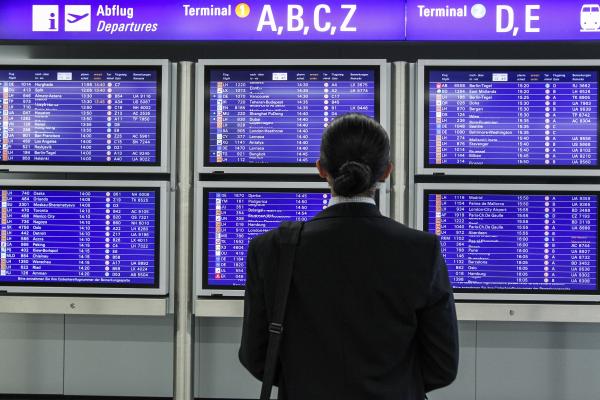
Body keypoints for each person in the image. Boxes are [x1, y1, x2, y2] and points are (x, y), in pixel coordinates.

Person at [239, 113, 459, 400]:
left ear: (320, 168)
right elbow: (443, 365)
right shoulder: (422, 250)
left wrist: (307, 383)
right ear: (386, 172)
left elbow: (255, 356)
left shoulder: (270, 248)